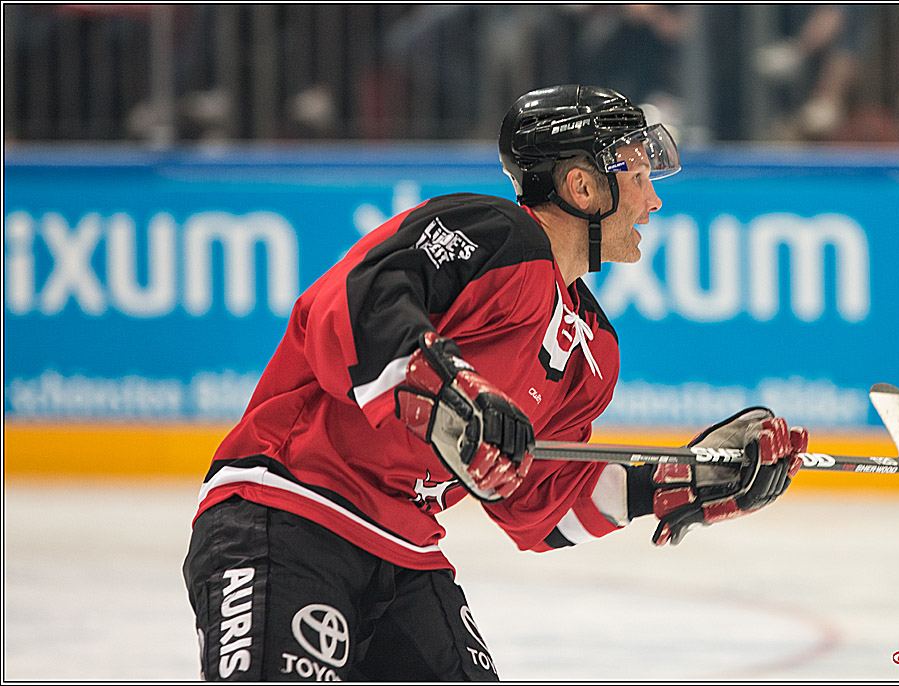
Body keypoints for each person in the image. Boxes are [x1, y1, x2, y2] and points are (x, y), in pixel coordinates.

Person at [182, 84, 808, 681]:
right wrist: (450, 389)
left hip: (405, 554)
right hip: (287, 513)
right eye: (639, 177)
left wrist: (673, 480)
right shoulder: (494, 235)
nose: (654, 200)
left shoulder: (594, 350)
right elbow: (352, 303)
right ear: (583, 185)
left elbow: (536, 509)